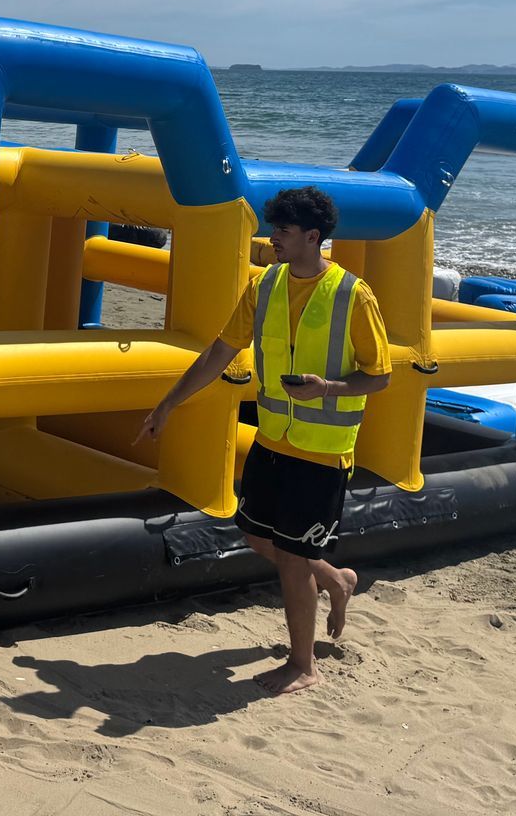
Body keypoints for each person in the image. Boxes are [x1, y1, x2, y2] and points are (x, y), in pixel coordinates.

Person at [139, 185, 390, 697]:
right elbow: (218, 352)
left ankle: (303, 665)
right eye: (273, 228)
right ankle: (338, 581)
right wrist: (168, 403)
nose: (272, 238)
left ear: (313, 238)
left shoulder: (352, 295)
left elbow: (379, 376)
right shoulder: (266, 286)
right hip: (274, 442)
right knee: (256, 537)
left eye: (283, 231)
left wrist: (331, 388)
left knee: (293, 560)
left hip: (322, 453)